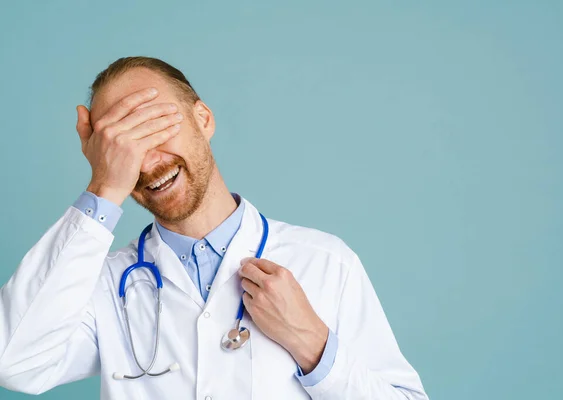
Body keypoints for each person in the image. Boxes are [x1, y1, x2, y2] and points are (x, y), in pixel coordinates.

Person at [0, 56, 428, 400]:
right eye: (123, 148)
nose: (148, 163)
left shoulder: (326, 262)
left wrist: (313, 344)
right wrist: (104, 188)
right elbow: (13, 363)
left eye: (155, 129)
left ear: (203, 118)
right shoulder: (100, 285)